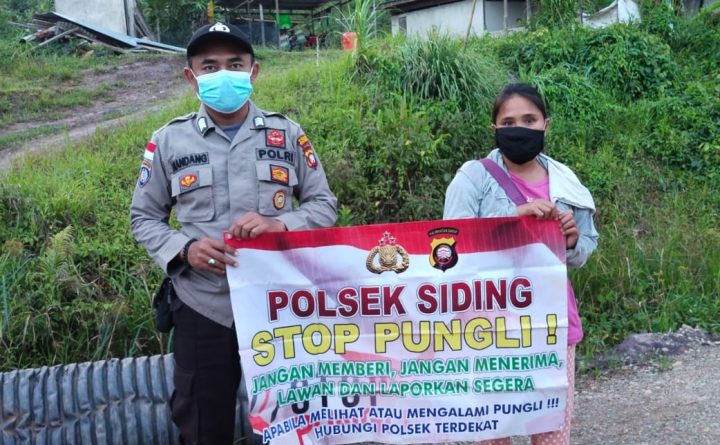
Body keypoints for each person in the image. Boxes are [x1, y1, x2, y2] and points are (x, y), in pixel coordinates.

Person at [130, 22, 337, 444]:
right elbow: (144, 217)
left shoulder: (287, 134)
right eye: (210, 66)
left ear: (253, 72)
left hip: (280, 306)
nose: (223, 74)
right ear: (191, 77)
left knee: (296, 422)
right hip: (204, 305)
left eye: (235, 64)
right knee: (204, 426)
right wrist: (184, 249)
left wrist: (281, 224)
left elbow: (323, 205)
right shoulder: (168, 141)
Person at [443, 83, 598, 445]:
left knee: (551, 433)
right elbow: (448, 247)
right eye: (509, 122)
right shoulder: (473, 178)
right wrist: (512, 218)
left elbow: (585, 247)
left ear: (546, 124)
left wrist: (571, 242)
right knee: (492, 433)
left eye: (529, 120)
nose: (520, 128)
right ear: (495, 128)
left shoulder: (566, 181)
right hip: (486, 327)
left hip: (552, 325)